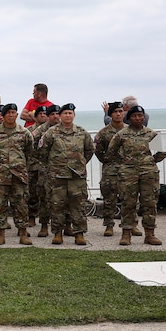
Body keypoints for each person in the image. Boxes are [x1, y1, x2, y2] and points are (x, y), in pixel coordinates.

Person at [108, 105, 166, 245]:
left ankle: (150, 234)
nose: (137, 118)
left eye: (140, 116)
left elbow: (163, 151)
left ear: (144, 117)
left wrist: (151, 160)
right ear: (129, 118)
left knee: (149, 203)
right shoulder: (121, 134)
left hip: (149, 173)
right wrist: (125, 162)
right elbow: (111, 152)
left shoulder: (151, 133)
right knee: (128, 203)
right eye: (134, 116)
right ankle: (126, 234)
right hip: (128, 174)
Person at [39, 104, 94, 245]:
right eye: (65, 113)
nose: (68, 116)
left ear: (74, 115)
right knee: (57, 205)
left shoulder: (82, 132)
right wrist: (54, 166)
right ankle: (57, 233)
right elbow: (43, 152)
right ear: (60, 115)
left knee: (78, 206)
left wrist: (79, 163)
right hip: (57, 176)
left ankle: (79, 234)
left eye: (70, 113)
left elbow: (89, 151)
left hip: (77, 177)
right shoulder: (52, 133)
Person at [0, 104, 34, 245]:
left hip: (19, 175)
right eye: (8, 113)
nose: (11, 115)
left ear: (16, 115)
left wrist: (22, 167)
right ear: (3, 115)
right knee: (0, 205)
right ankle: (1, 234)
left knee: (21, 204)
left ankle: (23, 233)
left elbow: (30, 153)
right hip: (1, 175)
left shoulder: (24, 133)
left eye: (13, 112)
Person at [94, 102, 127, 236]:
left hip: (128, 170)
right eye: (115, 112)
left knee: (129, 199)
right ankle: (109, 225)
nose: (118, 114)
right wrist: (108, 162)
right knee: (109, 200)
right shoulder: (103, 133)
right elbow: (97, 151)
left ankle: (130, 224)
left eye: (120, 111)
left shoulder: (130, 131)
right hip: (110, 171)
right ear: (110, 114)